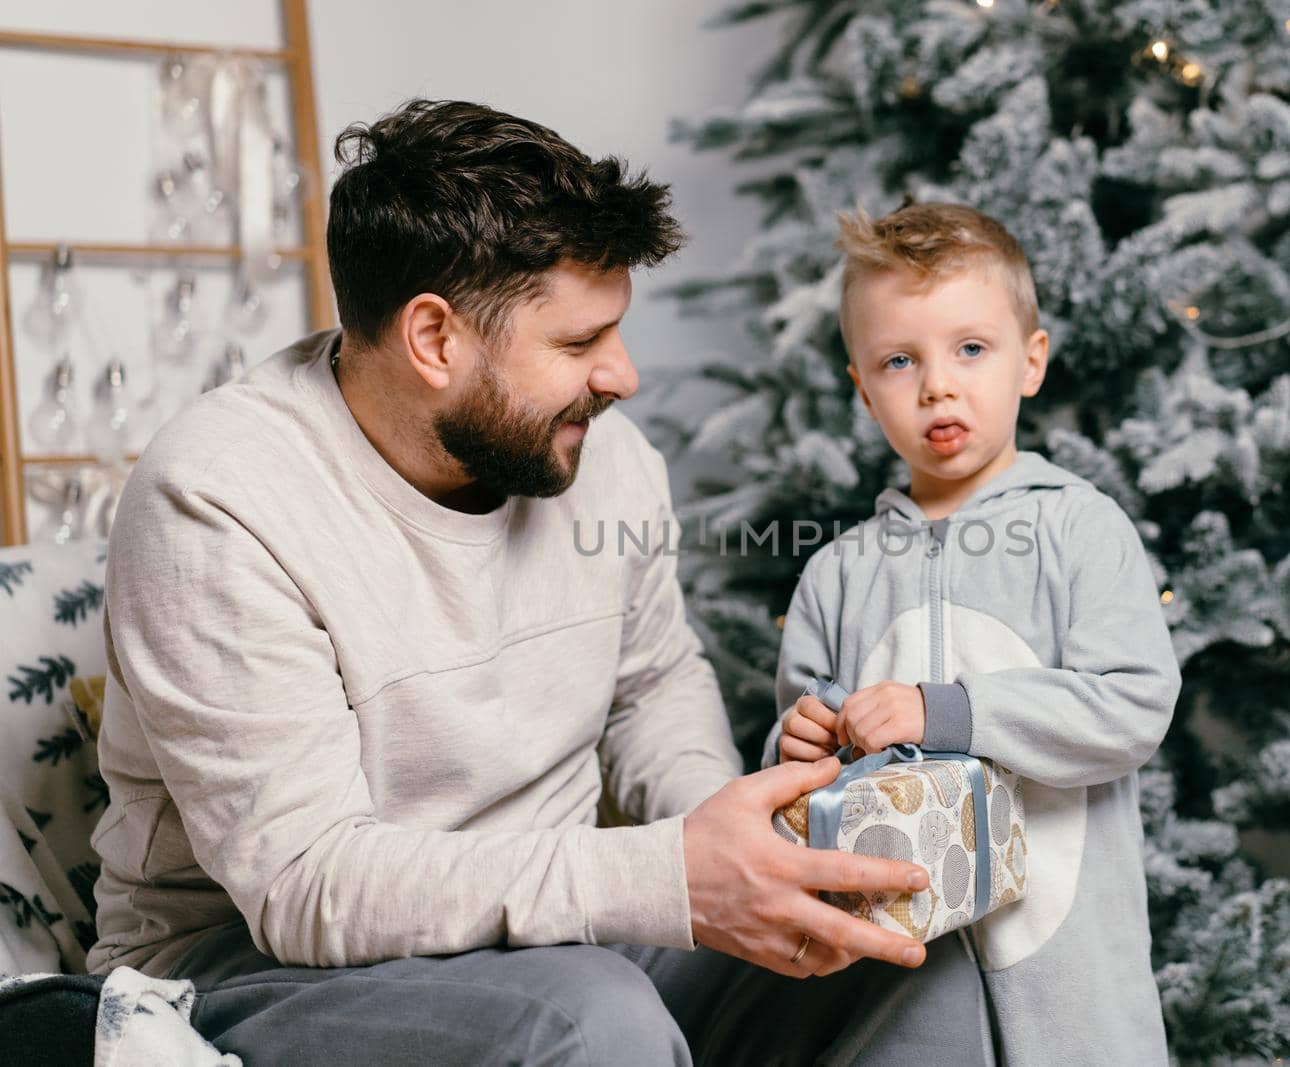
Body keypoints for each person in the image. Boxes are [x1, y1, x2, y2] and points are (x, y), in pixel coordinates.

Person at [85, 100, 992, 1065]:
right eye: (576, 343)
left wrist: (749, 841)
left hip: (558, 925)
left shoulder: (606, 458)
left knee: (895, 944)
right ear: (435, 339)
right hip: (254, 967)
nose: (625, 376)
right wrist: (669, 875)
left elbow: (650, 687)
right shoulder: (219, 501)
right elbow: (308, 883)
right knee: (589, 1014)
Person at [767, 202, 1184, 1066]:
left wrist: (943, 712)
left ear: (1030, 362)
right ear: (862, 387)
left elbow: (1132, 704)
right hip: (893, 983)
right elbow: (798, 789)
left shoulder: (1080, 529)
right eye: (898, 360)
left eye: (970, 348)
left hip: (1067, 986)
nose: (937, 386)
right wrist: (795, 742)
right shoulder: (836, 575)